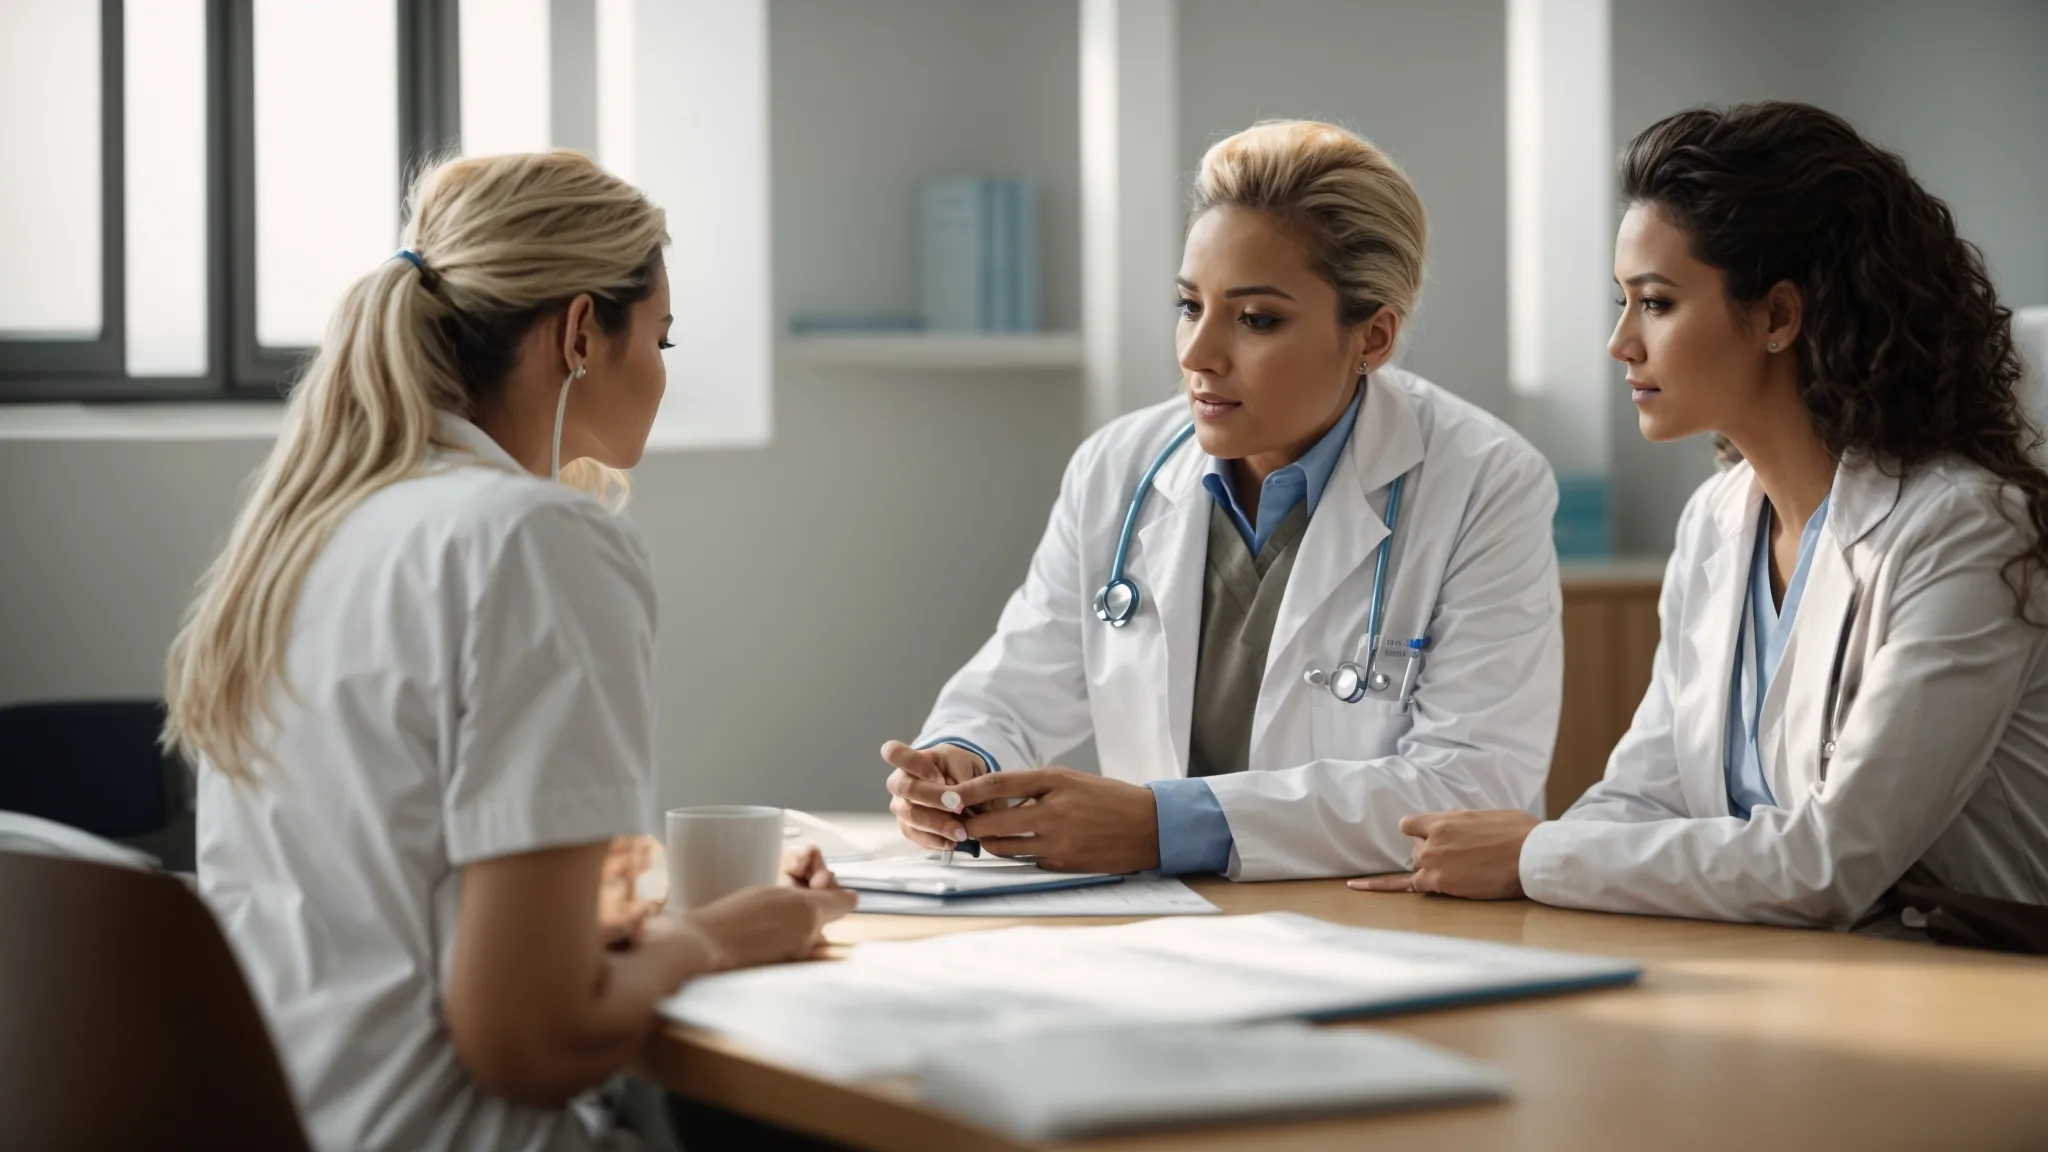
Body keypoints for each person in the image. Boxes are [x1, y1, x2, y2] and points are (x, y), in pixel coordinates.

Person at [164, 151, 854, 1152]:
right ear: (581, 333)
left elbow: (388, 899)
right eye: (660, 336)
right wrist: (724, 933)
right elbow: (531, 1041)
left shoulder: (309, 531)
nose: (663, 370)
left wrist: (609, 919)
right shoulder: (537, 541)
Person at [1353, 102, 2048, 933]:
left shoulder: (1966, 528)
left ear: (1778, 317)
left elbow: (1830, 862)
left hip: (1970, 976)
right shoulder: (1718, 518)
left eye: (1655, 303)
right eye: (1621, 301)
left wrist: (1534, 855)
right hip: (1789, 966)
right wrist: (1521, 870)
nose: (1620, 343)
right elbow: (1647, 794)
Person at [881, 120, 1563, 881]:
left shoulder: (1484, 483)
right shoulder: (1117, 467)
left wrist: (1163, 825)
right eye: (1188, 305)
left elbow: (1472, 789)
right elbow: (1017, 687)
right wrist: (960, 762)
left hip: (1373, 916)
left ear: (1372, 338)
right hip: (1163, 920)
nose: (1197, 354)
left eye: (1256, 319)